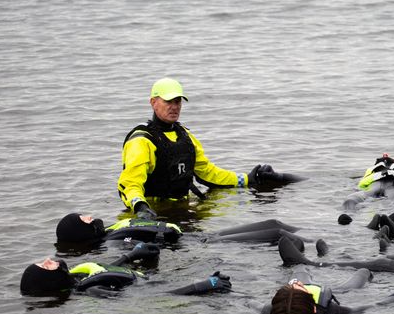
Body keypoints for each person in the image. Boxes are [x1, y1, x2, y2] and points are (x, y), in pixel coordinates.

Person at [118, 77, 304, 219]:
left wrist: (246, 179)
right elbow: (130, 184)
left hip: (183, 208)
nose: (174, 107)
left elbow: (208, 173)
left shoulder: (186, 136)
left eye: (178, 102)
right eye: (169, 102)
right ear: (153, 102)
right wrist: (140, 207)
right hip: (152, 213)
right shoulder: (141, 141)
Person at [55, 212, 326, 255]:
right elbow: (137, 245)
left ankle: (318, 235)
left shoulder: (112, 230)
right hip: (204, 244)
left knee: (273, 221)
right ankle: (322, 245)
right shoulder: (113, 242)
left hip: (201, 235)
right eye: (85, 218)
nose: (91, 216)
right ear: (82, 228)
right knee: (275, 233)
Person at [20, 243, 232, 297]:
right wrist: (203, 286)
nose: (48, 259)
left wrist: (132, 254)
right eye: (44, 265)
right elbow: (154, 297)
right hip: (163, 286)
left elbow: (107, 269)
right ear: (49, 280)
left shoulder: (80, 277)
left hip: (152, 278)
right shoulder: (92, 291)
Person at [251, 268, 394, 314]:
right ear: (315, 307)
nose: (298, 284)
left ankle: (301, 264)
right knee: (363, 272)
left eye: (294, 285)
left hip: (297, 305)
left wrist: (222, 286)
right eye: (300, 287)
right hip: (343, 292)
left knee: (299, 269)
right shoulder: (335, 311)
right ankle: (366, 274)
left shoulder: (271, 310)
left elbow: (245, 300)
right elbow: (383, 304)